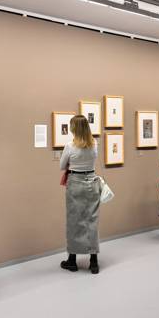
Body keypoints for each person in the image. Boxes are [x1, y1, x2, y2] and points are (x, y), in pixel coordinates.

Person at [59, 115, 101, 274]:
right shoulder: (94, 144)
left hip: (75, 183)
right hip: (91, 181)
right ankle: (93, 261)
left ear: (74, 128)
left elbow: (62, 165)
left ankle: (72, 260)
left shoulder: (70, 146)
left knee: (74, 221)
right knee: (91, 220)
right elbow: (93, 160)